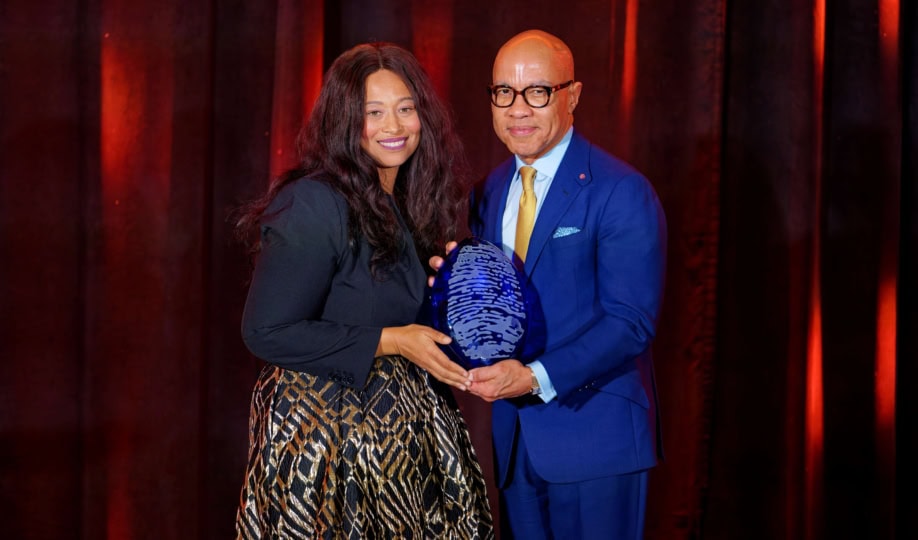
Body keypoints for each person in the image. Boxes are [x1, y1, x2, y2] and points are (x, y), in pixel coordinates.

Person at [234, 42, 493, 539]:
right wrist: (392, 340)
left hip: (399, 452)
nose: (393, 127)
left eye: (405, 109)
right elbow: (266, 331)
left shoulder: (411, 201)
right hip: (329, 457)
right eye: (373, 112)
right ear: (344, 121)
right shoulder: (313, 202)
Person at [436, 29, 667, 539]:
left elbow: (631, 322)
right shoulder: (488, 192)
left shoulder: (621, 190)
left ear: (573, 96)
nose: (518, 109)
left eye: (537, 92)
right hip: (516, 446)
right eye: (504, 93)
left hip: (596, 441)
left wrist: (534, 376)